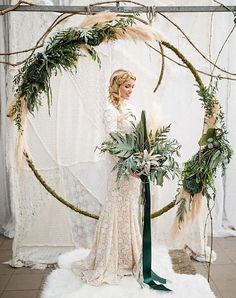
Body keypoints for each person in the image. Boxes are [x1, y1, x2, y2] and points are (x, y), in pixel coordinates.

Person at [72, 69, 141, 286]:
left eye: (132, 86)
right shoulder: (109, 110)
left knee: (129, 208)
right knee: (116, 207)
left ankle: (129, 257)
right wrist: (127, 165)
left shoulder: (130, 107)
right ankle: (110, 259)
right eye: (126, 86)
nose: (130, 90)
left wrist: (140, 160)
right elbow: (112, 143)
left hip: (133, 168)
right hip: (119, 167)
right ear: (116, 85)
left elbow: (138, 136)